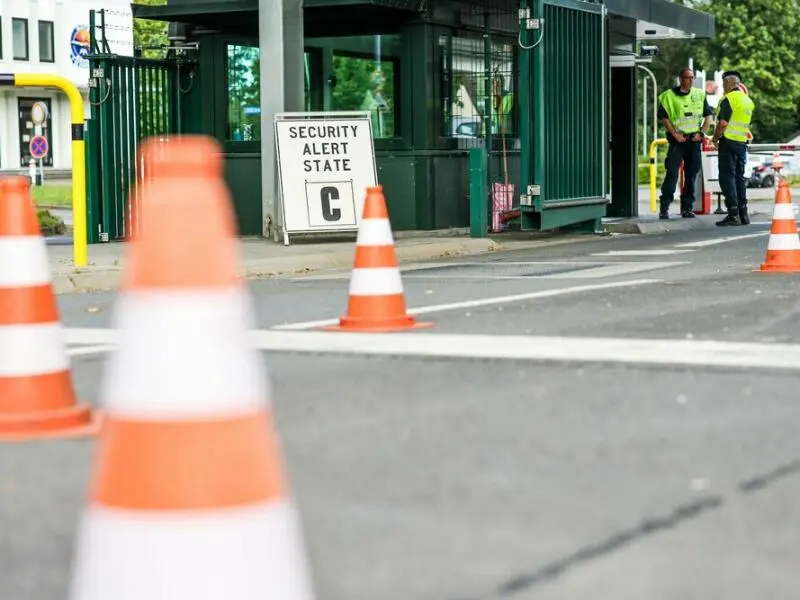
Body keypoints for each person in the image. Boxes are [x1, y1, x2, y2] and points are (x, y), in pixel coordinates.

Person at [656, 67, 714, 220]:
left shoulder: (699, 95)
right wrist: (675, 134)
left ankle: (687, 208)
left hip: (693, 142)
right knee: (672, 174)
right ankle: (664, 207)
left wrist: (701, 133)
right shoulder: (669, 96)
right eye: (688, 77)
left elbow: (708, 116)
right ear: (681, 79)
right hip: (677, 142)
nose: (691, 80)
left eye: (692, 77)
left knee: (691, 176)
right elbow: (664, 117)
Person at [711, 72, 756, 226]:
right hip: (741, 143)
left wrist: (715, 138)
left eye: (724, 84)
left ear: (730, 82)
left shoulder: (728, 99)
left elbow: (723, 123)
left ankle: (733, 213)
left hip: (728, 142)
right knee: (739, 177)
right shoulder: (748, 101)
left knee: (726, 177)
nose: (723, 87)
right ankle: (743, 213)